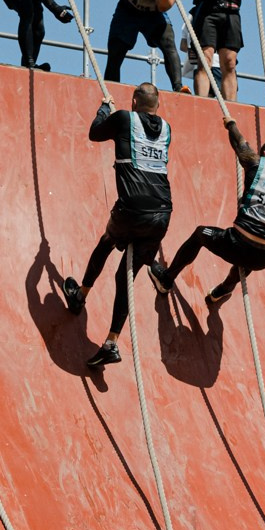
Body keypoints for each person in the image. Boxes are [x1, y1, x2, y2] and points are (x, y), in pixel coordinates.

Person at [61, 85, 173, 369]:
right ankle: (111, 342)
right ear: (157, 106)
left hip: (131, 209)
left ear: (134, 101)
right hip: (162, 213)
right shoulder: (167, 129)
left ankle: (80, 296)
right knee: (126, 277)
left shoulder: (124, 118)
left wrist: (104, 107)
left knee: (106, 242)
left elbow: (95, 132)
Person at [152, 117, 265, 306]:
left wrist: (230, 124)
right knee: (256, 245)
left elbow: (240, 144)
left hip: (237, 245)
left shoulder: (257, 164)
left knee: (200, 234)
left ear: (263, 153)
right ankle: (225, 288)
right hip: (264, 258)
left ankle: (166, 279)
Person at [107, 0, 185, 92]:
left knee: (169, 43)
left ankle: (178, 87)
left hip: (153, 15)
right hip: (128, 11)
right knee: (116, 49)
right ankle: (111, 87)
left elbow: (164, 5)